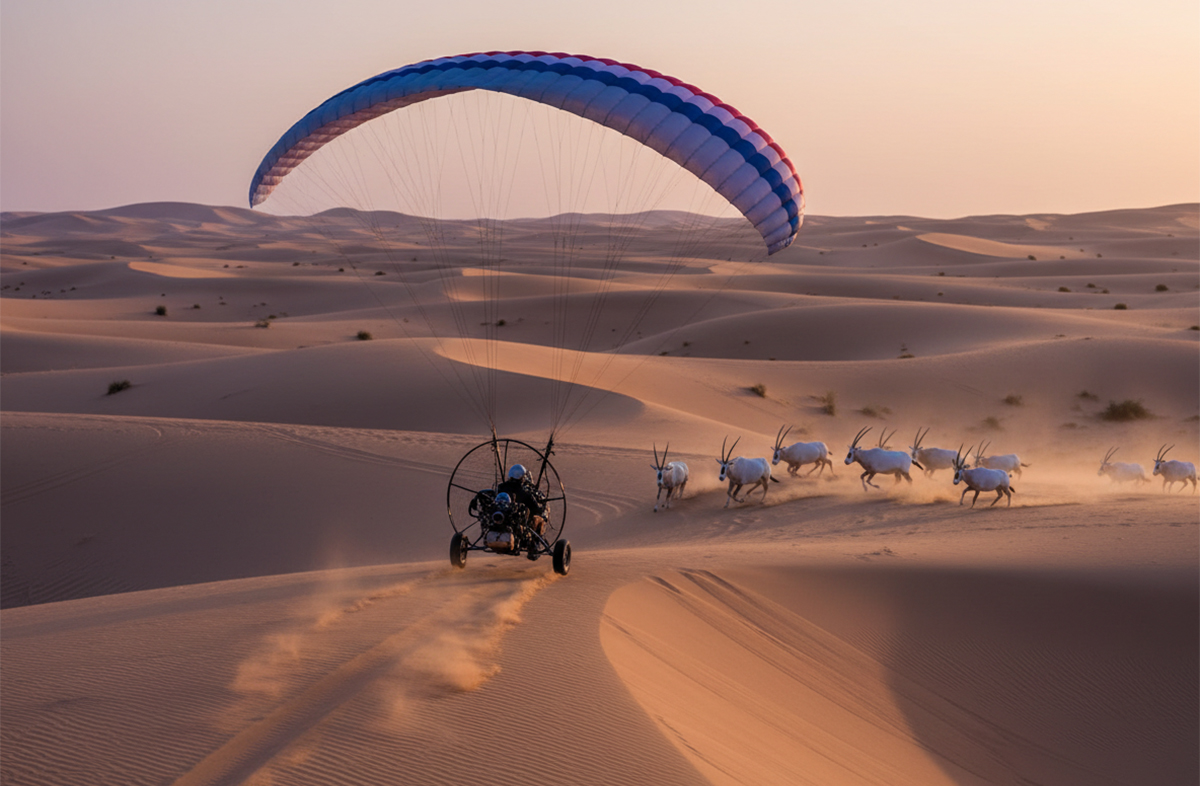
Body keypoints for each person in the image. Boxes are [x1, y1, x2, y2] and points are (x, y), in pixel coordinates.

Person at [496, 464, 547, 535]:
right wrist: (543, 514)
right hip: (518, 525)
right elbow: (535, 508)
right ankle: (535, 541)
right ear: (522, 477)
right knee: (539, 520)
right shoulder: (525, 493)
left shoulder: (500, 487)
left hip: (501, 520)